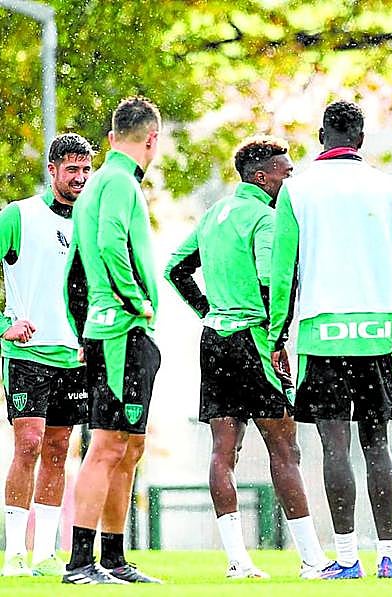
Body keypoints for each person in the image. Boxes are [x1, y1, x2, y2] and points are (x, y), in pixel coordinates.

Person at [164, 136, 332, 579]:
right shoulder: (265, 218)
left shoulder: (215, 213)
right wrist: (277, 342)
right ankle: (313, 561)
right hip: (252, 341)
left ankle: (239, 561)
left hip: (214, 340)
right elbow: (268, 284)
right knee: (285, 447)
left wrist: (208, 311)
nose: (290, 176)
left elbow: (175, 269)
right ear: (263, 177)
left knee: (224, 450)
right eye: (285, 170)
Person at [268, 101, 392, 579]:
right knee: (377, 445)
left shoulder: (297, 190)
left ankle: (346, 557)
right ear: (362, 138)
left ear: (322, 135)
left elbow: (283, 269)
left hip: (321, 330)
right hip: (376, 328)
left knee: (333, 445)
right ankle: (388, 555)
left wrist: (276, 334)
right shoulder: (390, 189)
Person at [62, 97, 165, 584]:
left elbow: (74, 270)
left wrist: (81, 322)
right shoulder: (122, 182)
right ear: (152, 140)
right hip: (122, 330)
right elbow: (105, 243)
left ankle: (114, 559)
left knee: (130, 445)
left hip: (107, 330)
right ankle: (81, 563)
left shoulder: (95, 184)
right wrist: (132, 302)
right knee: (106, 445)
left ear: (110, 139)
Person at [2, 134, 94, 578]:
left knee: (59, 449)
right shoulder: (18, 215)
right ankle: (15, 552)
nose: (79, 177)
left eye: (85, 170)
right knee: (29, 444)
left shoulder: (92, 223)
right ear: (53, 170)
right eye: (71, 169)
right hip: (27, 352)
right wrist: (5, 324)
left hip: (75, 356)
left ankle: (44, 556)